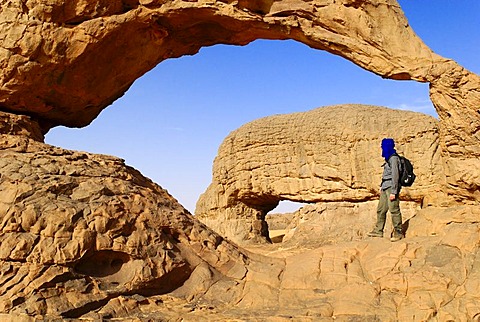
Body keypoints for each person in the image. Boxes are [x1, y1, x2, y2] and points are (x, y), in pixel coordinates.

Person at [368, 138, 404, 242]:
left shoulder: (393, 159)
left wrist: (394, 191)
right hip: (385, 187)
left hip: (391, 188)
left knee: (394, 210)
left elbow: (395, 175)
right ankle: (378, 231)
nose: (382, 149)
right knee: (381, 209)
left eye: (383, 147)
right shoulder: (388, 158)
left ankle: (398, 232)